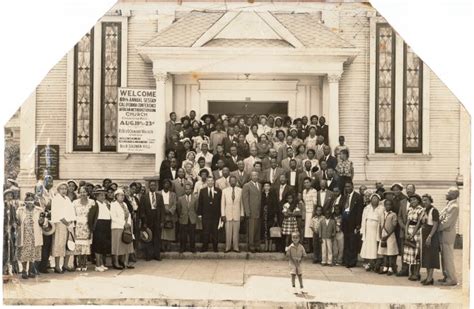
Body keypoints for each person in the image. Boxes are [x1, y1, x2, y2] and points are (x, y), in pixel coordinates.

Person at [16, 193, 43, 279]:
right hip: (24, 235)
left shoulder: (39, 210)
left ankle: (31, 270)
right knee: (24, 253)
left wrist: (42, 221)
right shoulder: (20, 210)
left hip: (35, 235)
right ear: (25, 201)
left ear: (34, 201)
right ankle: (24, 270)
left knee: (33, 253)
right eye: (27, 200)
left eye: (31, 200)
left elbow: (43, 224)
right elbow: (17, 222)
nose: (29, 202)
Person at [51, 182, 76, 273]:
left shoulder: (67, 199)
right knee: (59, 244)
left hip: (69, 224)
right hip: (60, 224)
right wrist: (67, 224)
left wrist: (71, 223)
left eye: (65, 189)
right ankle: (57, 266)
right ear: (58, 190)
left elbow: (71, 212)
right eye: (62, 189)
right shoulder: (56, 199)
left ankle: (65, 265)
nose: (64, 190)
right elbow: (58, 214)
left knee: (69, 244)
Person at [438, 187, 460, 286]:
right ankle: (446, 276)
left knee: (448, 257)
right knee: (443, 257)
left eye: (448, 193)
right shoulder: (449, 205)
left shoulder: (454, 207)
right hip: (443, 234)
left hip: (447, 234)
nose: (446, 194)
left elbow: (446, 223)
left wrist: (436, 228)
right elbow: (441, 217)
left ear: (453, 195)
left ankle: (452, 279)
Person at [139, 179, 165, 261]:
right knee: (148, 238)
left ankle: (157, 255)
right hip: (148, 219)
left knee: (157, 237)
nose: (152, 186)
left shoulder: (159, 196)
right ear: (148, 186)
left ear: (156, 187)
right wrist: (144, 222)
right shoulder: (144, 197)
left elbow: (162, 210)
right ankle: (149, 255)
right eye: (151, 185)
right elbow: (142, 210)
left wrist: (162, 221)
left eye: (154, 185)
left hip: (157, 219)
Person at [110, 189, 134, 270]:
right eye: (120, 195)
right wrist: (124, 223)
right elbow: (113, 217)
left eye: (123, 195)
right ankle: (116, 263)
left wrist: (128, 224)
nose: (122, 197)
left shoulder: (125, 204)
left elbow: (129, 214)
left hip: (126, 227)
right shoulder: (113, 205)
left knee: (126, 245)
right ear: (116, 196)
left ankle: (125, 263)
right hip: (117, 227)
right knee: (117, 246)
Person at [340, 181, 363, 268]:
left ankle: (352, 261)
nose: (347, 188)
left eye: (349, 186)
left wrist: (358, 224)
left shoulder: (358, 197)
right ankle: (346, 260)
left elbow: (359, 211)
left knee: (352, 242)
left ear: (352, 187)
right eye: (346, 187)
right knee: (346, 242)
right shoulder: (344, 197)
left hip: (353, 223)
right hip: (345, 222)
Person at [88, 187, 111, 272]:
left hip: (106, 225)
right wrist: (92, 228)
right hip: (99, 226)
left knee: (103, 245)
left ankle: (101, 263)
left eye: (104, 195)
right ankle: (97, 265)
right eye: (101, 195)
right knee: (98, 246)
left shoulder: (105, 204)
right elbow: (90, 218)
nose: (103, 197)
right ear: (96, 196)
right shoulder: (95, 205)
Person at [402, 194, 424, 281]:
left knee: (416, 253)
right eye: (411, 200)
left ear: (418, 200)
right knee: (410, 252)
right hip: (409, 231)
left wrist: (413, 234)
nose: (412, 201)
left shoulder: (421, 210)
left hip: (417, 232)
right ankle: (412, 273)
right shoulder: (410, 209)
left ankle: (417, 273)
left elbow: (419, 223)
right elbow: (407, 222)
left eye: (414, 199)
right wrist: (406, 233)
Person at [420, 194, 440, 285]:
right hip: (424, 235)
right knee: (426, 257)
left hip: (431, 235)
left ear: (430, 201)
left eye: (426, 200)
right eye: (423, 200)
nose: (424, 202)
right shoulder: (424, 210)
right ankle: (428, 277)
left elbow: (435, 225)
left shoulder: (434, 210)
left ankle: (430, 278)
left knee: (431, 256)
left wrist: (429, 236)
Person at [360, 193, 384, 271]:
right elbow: (363, 219)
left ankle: (376, 264)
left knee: (376, 246)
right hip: (368, 230)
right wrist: (362, 230)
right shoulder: (366, 208)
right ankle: (370, 263)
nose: (374, 200)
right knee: (368, 247)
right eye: (373, 198)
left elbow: (382, 220)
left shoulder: (381, 209)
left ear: (378, 200)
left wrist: (382, 231)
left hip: (376, 230)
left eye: (376, 198)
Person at [198, 178, 222, 252]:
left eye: (212, 181)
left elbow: (221, 203)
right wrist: (199, 214)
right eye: (209, 181)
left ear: (214, 182)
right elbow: (200, 203)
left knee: (215, 232)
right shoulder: (202, 191)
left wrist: (221, 214)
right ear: (206, 182)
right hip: (206, 215)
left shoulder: (218, 191)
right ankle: (204, 247)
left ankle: (215, 247)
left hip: (216, 215)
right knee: (206, 231)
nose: (210, 182)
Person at [73, 186, 94, 271]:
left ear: (87, 193)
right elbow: (73, 214)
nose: (83, 194)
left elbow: (93, 215)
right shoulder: (75, 202)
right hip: (78, 225)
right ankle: (79, 264)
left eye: (84, 192)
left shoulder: (92, 202)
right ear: (79, 193)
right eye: (81, 192)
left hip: (87, 225)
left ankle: (84, 264)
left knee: (85, 245)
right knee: (78, 245)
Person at [221, 176, 244, 253]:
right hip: (227, 215)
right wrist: (223, 214)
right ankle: (227, 247)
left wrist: (242, 214)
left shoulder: (240, 190)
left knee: (236, 232)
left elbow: (242, 204)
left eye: (234, 181)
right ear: (229, 182)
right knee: (228, 232)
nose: (233, 182)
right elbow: (222, 204)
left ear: (236, 181)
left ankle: (236, 247)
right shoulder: (224, 191)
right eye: (231, 181)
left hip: (237, 214)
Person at [377, 199, 399, 275]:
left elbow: (394, 226)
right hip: (383, 234)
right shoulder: (382, 213)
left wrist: (387, 235)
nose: (388, 206)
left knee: (390, 252)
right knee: (384, 252)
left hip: (390, 234)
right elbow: (380, 224)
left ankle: (390, 268)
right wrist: (380, 234)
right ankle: (385, 267)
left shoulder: (393, 214)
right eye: (386, 205)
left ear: (392, 206)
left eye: (389, 205)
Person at [242, 172, 262, 253]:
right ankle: (251, 245)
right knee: (251, 229)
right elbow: (245, 199)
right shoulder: (247, 185)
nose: (255, 177)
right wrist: (247, 211)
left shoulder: (260, 185)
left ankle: (257, 245)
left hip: (258, 211)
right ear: (250, 176)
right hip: (251, 211)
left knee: (257, 229)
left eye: (256, 175)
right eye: (253, 175)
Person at [176, 182, 198, 253]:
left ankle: (192, 248)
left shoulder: (195, 198)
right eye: (186, 189)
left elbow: (196, 209)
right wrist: (181, 215)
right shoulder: (180, 199)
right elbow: (179, 209)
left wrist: (193, 216)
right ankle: (182, 248)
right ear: (184, 190)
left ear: (191, 190)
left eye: (189, 189)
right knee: (183, 235)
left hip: (192, 219)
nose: (187, 191)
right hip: (183, 219)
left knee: (192, 235)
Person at [4, 189, 18, 276]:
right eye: (8, 195)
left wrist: (15, 223)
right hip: (4, 231)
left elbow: (14, 218)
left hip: (11, 231)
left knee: (12, 249)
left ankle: (13, 267)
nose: (9, 197)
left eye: (11, 195)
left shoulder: (12, 206)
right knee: (5, 249)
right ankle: (4, 269)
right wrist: (5, 226)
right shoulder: (3, 206)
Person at [160, 179, 177, 252]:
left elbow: (175, 204)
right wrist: (163, 210)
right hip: (161, 213)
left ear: (170, 185)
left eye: (168, 184)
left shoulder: (173, 194)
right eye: (165, 183)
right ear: (163, 185)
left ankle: (169, 246)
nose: (166, 185)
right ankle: (163, 246)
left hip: (170, 213)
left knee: (170, 229)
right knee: (162, 230)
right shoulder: (159, 193)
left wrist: (170, 211)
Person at [261, 182, 278, 252]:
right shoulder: (262, 195)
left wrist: (275, 216)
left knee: (270, 229)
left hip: (271, 215)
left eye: (268, 186)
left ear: (270, 187)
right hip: (264, 215)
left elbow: (275, 205)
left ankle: (270, 246)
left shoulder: (273, 195)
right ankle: (266, 245)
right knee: (265, 230)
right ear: (263, 187)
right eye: (265, 186)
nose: (267, 187)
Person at [301, 178, 317, 251]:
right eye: (305, 183)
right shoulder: (304, 191)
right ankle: (308, 247)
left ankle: (313, 247)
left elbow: (315, 203)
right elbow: (304, 202)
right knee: (306, 230)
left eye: (307, 182)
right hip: (306, 212)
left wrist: (313, 214)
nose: (306, 184)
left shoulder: (313, 191)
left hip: (311, 212)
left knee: (311, 229)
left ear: (310, 183)